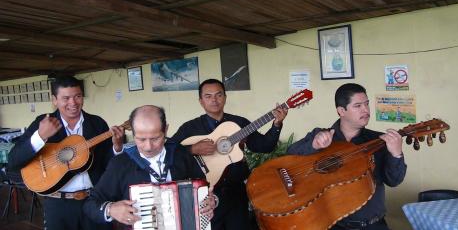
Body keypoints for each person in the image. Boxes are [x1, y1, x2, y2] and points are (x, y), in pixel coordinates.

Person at [8, 75, 125, 230]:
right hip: (58, 204)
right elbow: (14, 160)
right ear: (54, 100)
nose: (73, 103)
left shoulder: (97, 123)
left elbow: (107, 163)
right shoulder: (43, 122)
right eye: (66, 98)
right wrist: (41, 136)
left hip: (95, 201)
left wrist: (116, 148)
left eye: (77, 96)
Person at [169, 78, 288, 230]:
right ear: (201, 101)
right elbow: (169, 151)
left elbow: (264, 146)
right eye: (208, 96)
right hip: (205, 196)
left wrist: (277, 124)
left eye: (219, 95)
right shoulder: (189, 128)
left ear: (225, 97)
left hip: (236, 193)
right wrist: (192, 149)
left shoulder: (240, 123)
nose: (214, 100)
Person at [287, 83, 406, 230]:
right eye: (358, 106)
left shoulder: (379, 141)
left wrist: (396, 154)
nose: (366, 110)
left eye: (367, 104)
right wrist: (314, 145)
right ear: (341, 111)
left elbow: (394, 181)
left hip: (373, 225)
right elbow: (290, 154)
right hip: (332, 225)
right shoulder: (321, 135)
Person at [83, 105, 216, 229]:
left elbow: (205, 189)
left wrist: (212, 201)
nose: (148, 147)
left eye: (155, 138)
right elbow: (90, 204)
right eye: (141, 139)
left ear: (166, 130)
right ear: (133, 134)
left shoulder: (181, 154)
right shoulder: (120, 164)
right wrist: (110, 209)